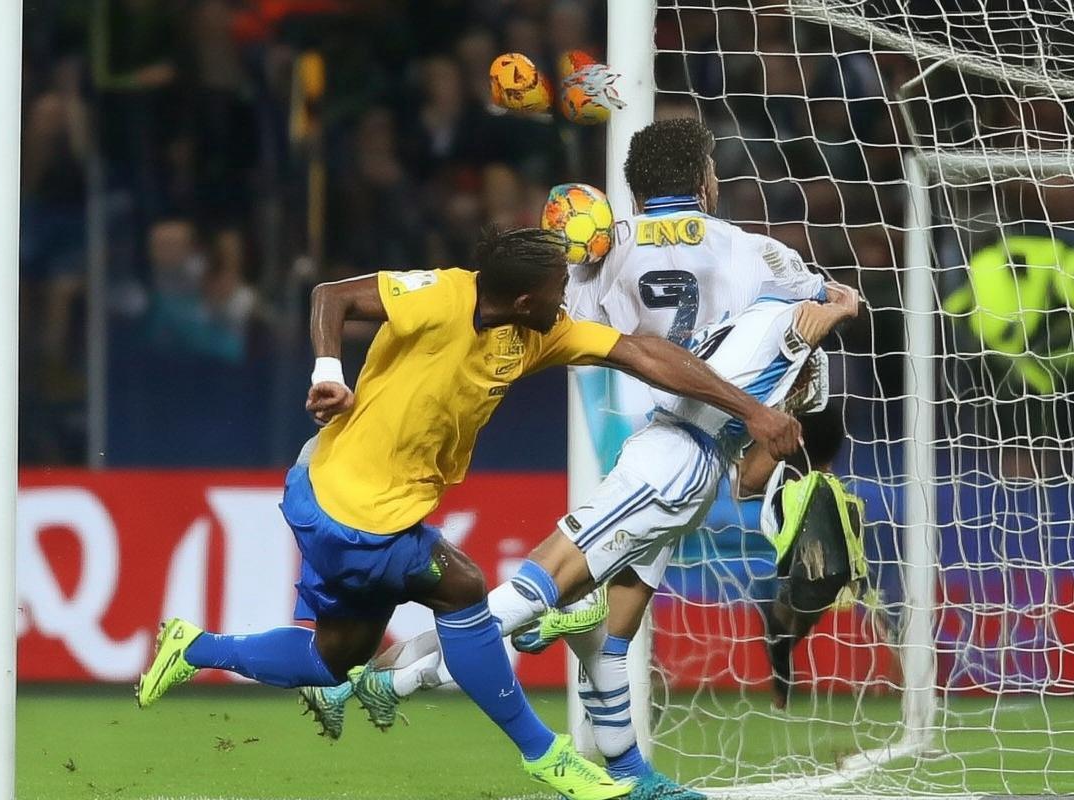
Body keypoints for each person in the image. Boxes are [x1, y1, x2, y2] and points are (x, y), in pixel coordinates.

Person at [135, 225, 803, 800]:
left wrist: (749, 409)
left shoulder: (536, 332)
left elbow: (641, 353)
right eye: (557, 288)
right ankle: (546, 755)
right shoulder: (439, 298)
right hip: (355, 513)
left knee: (332, 659)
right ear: (523, 298)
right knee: (463, 590)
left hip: (343, 492)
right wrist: (327, 372)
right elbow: (331, 296)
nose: (565, 299)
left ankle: (193, 647)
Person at [299, 117, 856, 800]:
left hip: (645, 435)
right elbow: (812, 314)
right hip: (695, 444)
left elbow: (545, 308)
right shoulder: (761, 255)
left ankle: (421, 681)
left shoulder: (604, 246)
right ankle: (600, 748)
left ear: (634, 189)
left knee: (568, 609)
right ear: (706, 183)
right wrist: (824, 335)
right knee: (599, 627)